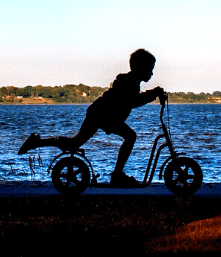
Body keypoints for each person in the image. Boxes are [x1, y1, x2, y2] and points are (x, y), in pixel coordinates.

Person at [18, 49, 165, 187]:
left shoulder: (131, 81)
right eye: (149, 69)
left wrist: (152, 94)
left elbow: (133, 100)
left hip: (99, 111)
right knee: (130, 136)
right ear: (140, 69)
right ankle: (117, 175)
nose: (151, 73)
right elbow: (133, 101)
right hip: (105, 114)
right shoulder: (129, 82)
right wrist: (153, 94)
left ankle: (37, 142)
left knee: (75, 143)